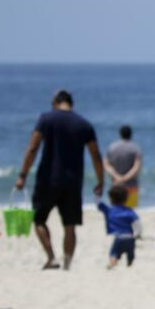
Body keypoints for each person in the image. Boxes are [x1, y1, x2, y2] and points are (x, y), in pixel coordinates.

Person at [15, 90, 104, 270]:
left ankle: (51, 257)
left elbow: (33, 148)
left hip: (47, 179)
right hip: (73, 182)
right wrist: (100, 180)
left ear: (56, 102)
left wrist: (23, 174)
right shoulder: (84, 124)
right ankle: (67, 264)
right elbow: (96, 155)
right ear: (71, 103)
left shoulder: (46, 119)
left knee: (39, 219)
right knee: (70, 226)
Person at [97, 185, 141, 268]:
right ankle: (129, 263)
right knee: (130, 253)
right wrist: (137, 234)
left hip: (119, 237)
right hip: (130, 237)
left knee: (114, 253)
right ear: (126, 199)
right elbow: (137, 223)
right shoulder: (129, 211)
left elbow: (99, 204)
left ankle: (112, 263)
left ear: (111, 199)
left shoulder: (110, 210)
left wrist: (98, 194)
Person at [104, 125, 143, 208]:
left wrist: (117, 177)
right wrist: (124, 178)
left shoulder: (112, 147)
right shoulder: (135, 148)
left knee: (116, 210)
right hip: (131, 186)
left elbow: (106, 165)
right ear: (131, 134)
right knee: (130, 211)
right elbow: (136, 167)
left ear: (120, 134)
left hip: (116, 185)